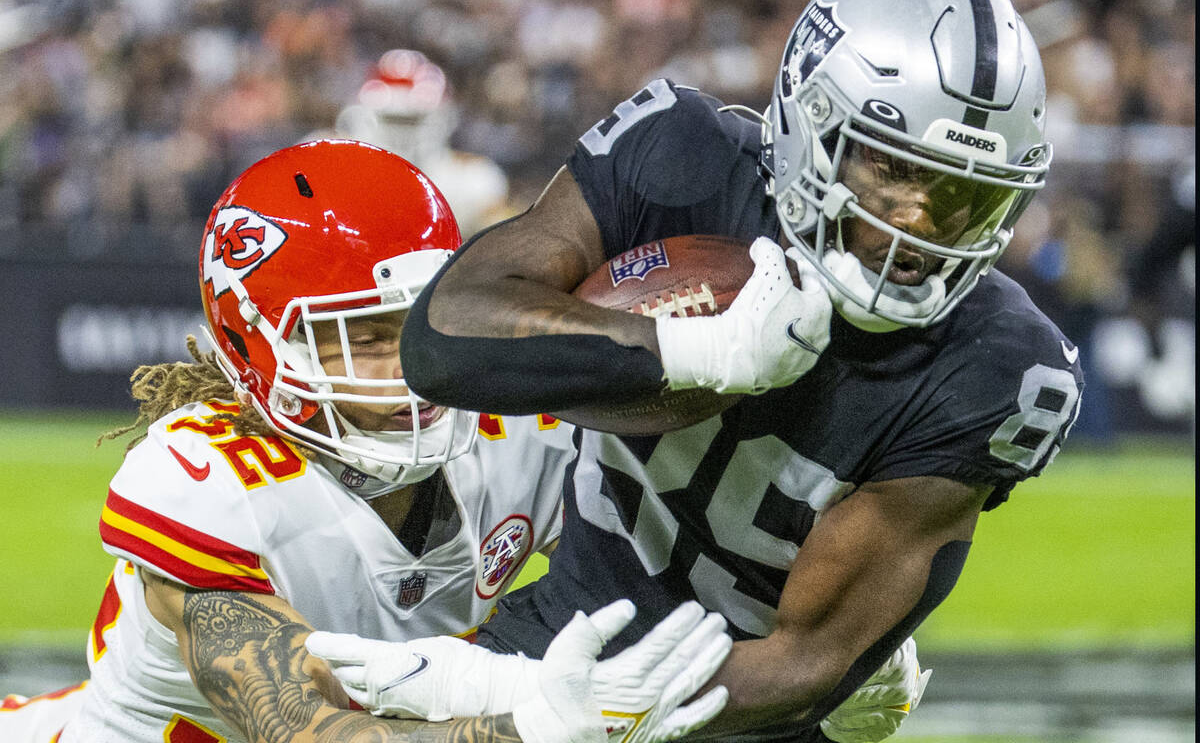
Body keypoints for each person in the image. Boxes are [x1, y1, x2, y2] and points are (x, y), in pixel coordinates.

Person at [367, 0, 1084, 742]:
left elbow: (802, 665)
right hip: (563, 631)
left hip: (740, 715)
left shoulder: (998, 365)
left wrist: (590, 708)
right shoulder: (685, 161)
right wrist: (689, 351)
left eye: (961, 195)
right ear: (810, 119)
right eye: (891, 167)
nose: (917, 224)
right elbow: (443, 337)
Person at [0, 139, 734, 743]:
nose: (407, 370)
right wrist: (525, 725)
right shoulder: (212, 484)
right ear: (252, 346)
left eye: (417, 325)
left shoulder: (512, 424)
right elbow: (305, 728)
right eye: (358, 339)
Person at [333, 49, 517, 237]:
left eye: (411, 121)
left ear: (443, 119)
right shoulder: (335, 166)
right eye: (392, 120)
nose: (400, 134)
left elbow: (506, 245)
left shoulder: (472, 179)